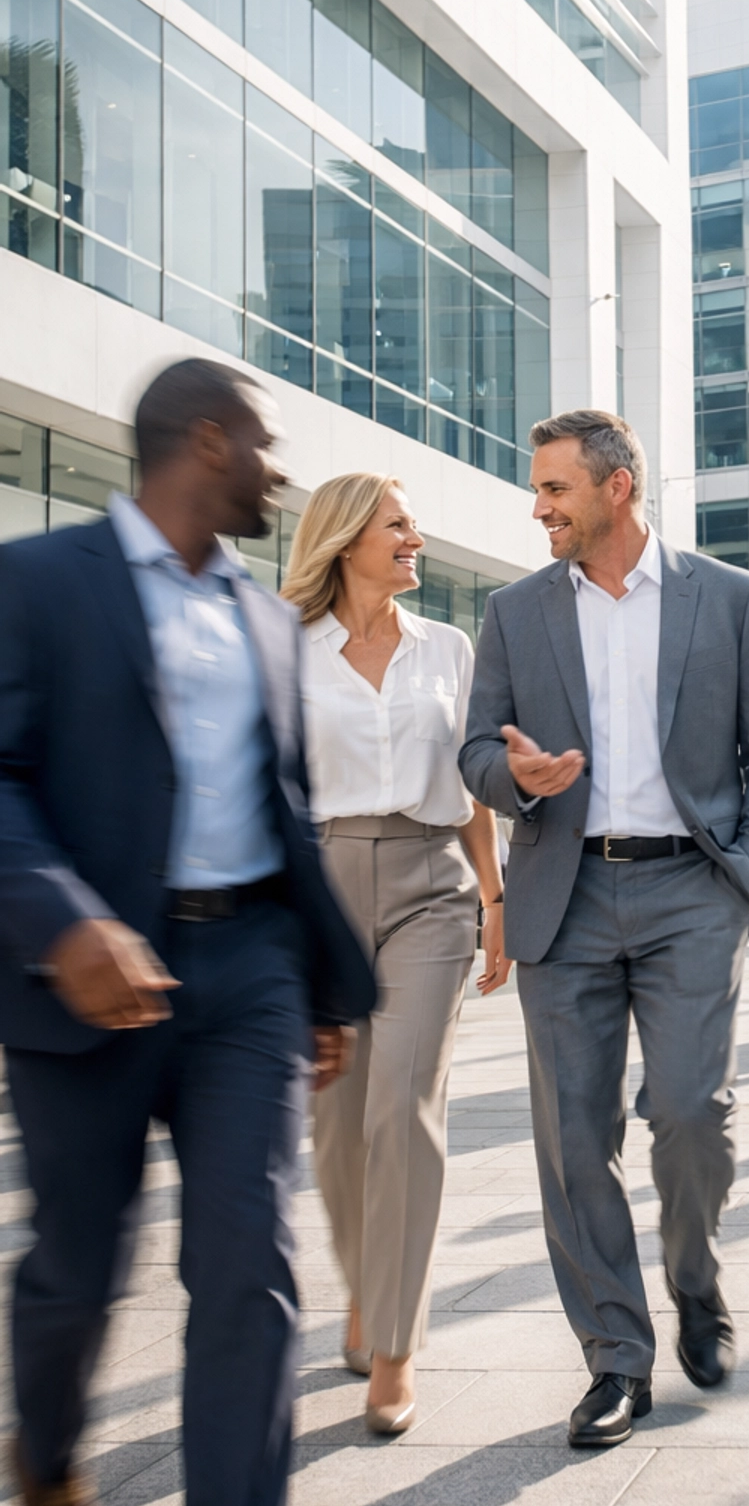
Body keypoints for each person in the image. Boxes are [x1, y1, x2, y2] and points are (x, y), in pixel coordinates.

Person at [0, 359, 374, 1506]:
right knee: (73, 1269)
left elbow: (286, 807)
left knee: (251, 1270)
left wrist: (319, 986)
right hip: (87, 983)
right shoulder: (37, 582)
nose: (279, 470)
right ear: (206, 441)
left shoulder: (268, 620)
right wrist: (64, 922)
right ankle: (46, 1459)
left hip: (248, 974)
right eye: (265, 443)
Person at [460, 410, 749, 1448]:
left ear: (616, 488)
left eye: (554, 488)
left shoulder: (728, 597)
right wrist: (515, 776)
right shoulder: (514, 611)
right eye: (537, 489)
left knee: (692, 1110)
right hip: (562, 896)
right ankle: (616, 1357)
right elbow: (475, 752)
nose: (538, 508)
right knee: (575, 1141)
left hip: (691, 889)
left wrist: (748, 875)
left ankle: (694, 1277)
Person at [281, 474, 511, 1440]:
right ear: (346, 541)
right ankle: (365, 1288)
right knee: (338, 1124)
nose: (416, 537)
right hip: (322, 885)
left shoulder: (448, 648)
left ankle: (395, 1344)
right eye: (399, 525)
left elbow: (473, 786)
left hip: (430, 886)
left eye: (414, 524)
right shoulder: (286, 649)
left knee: (404, 1106)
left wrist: (495, 899)